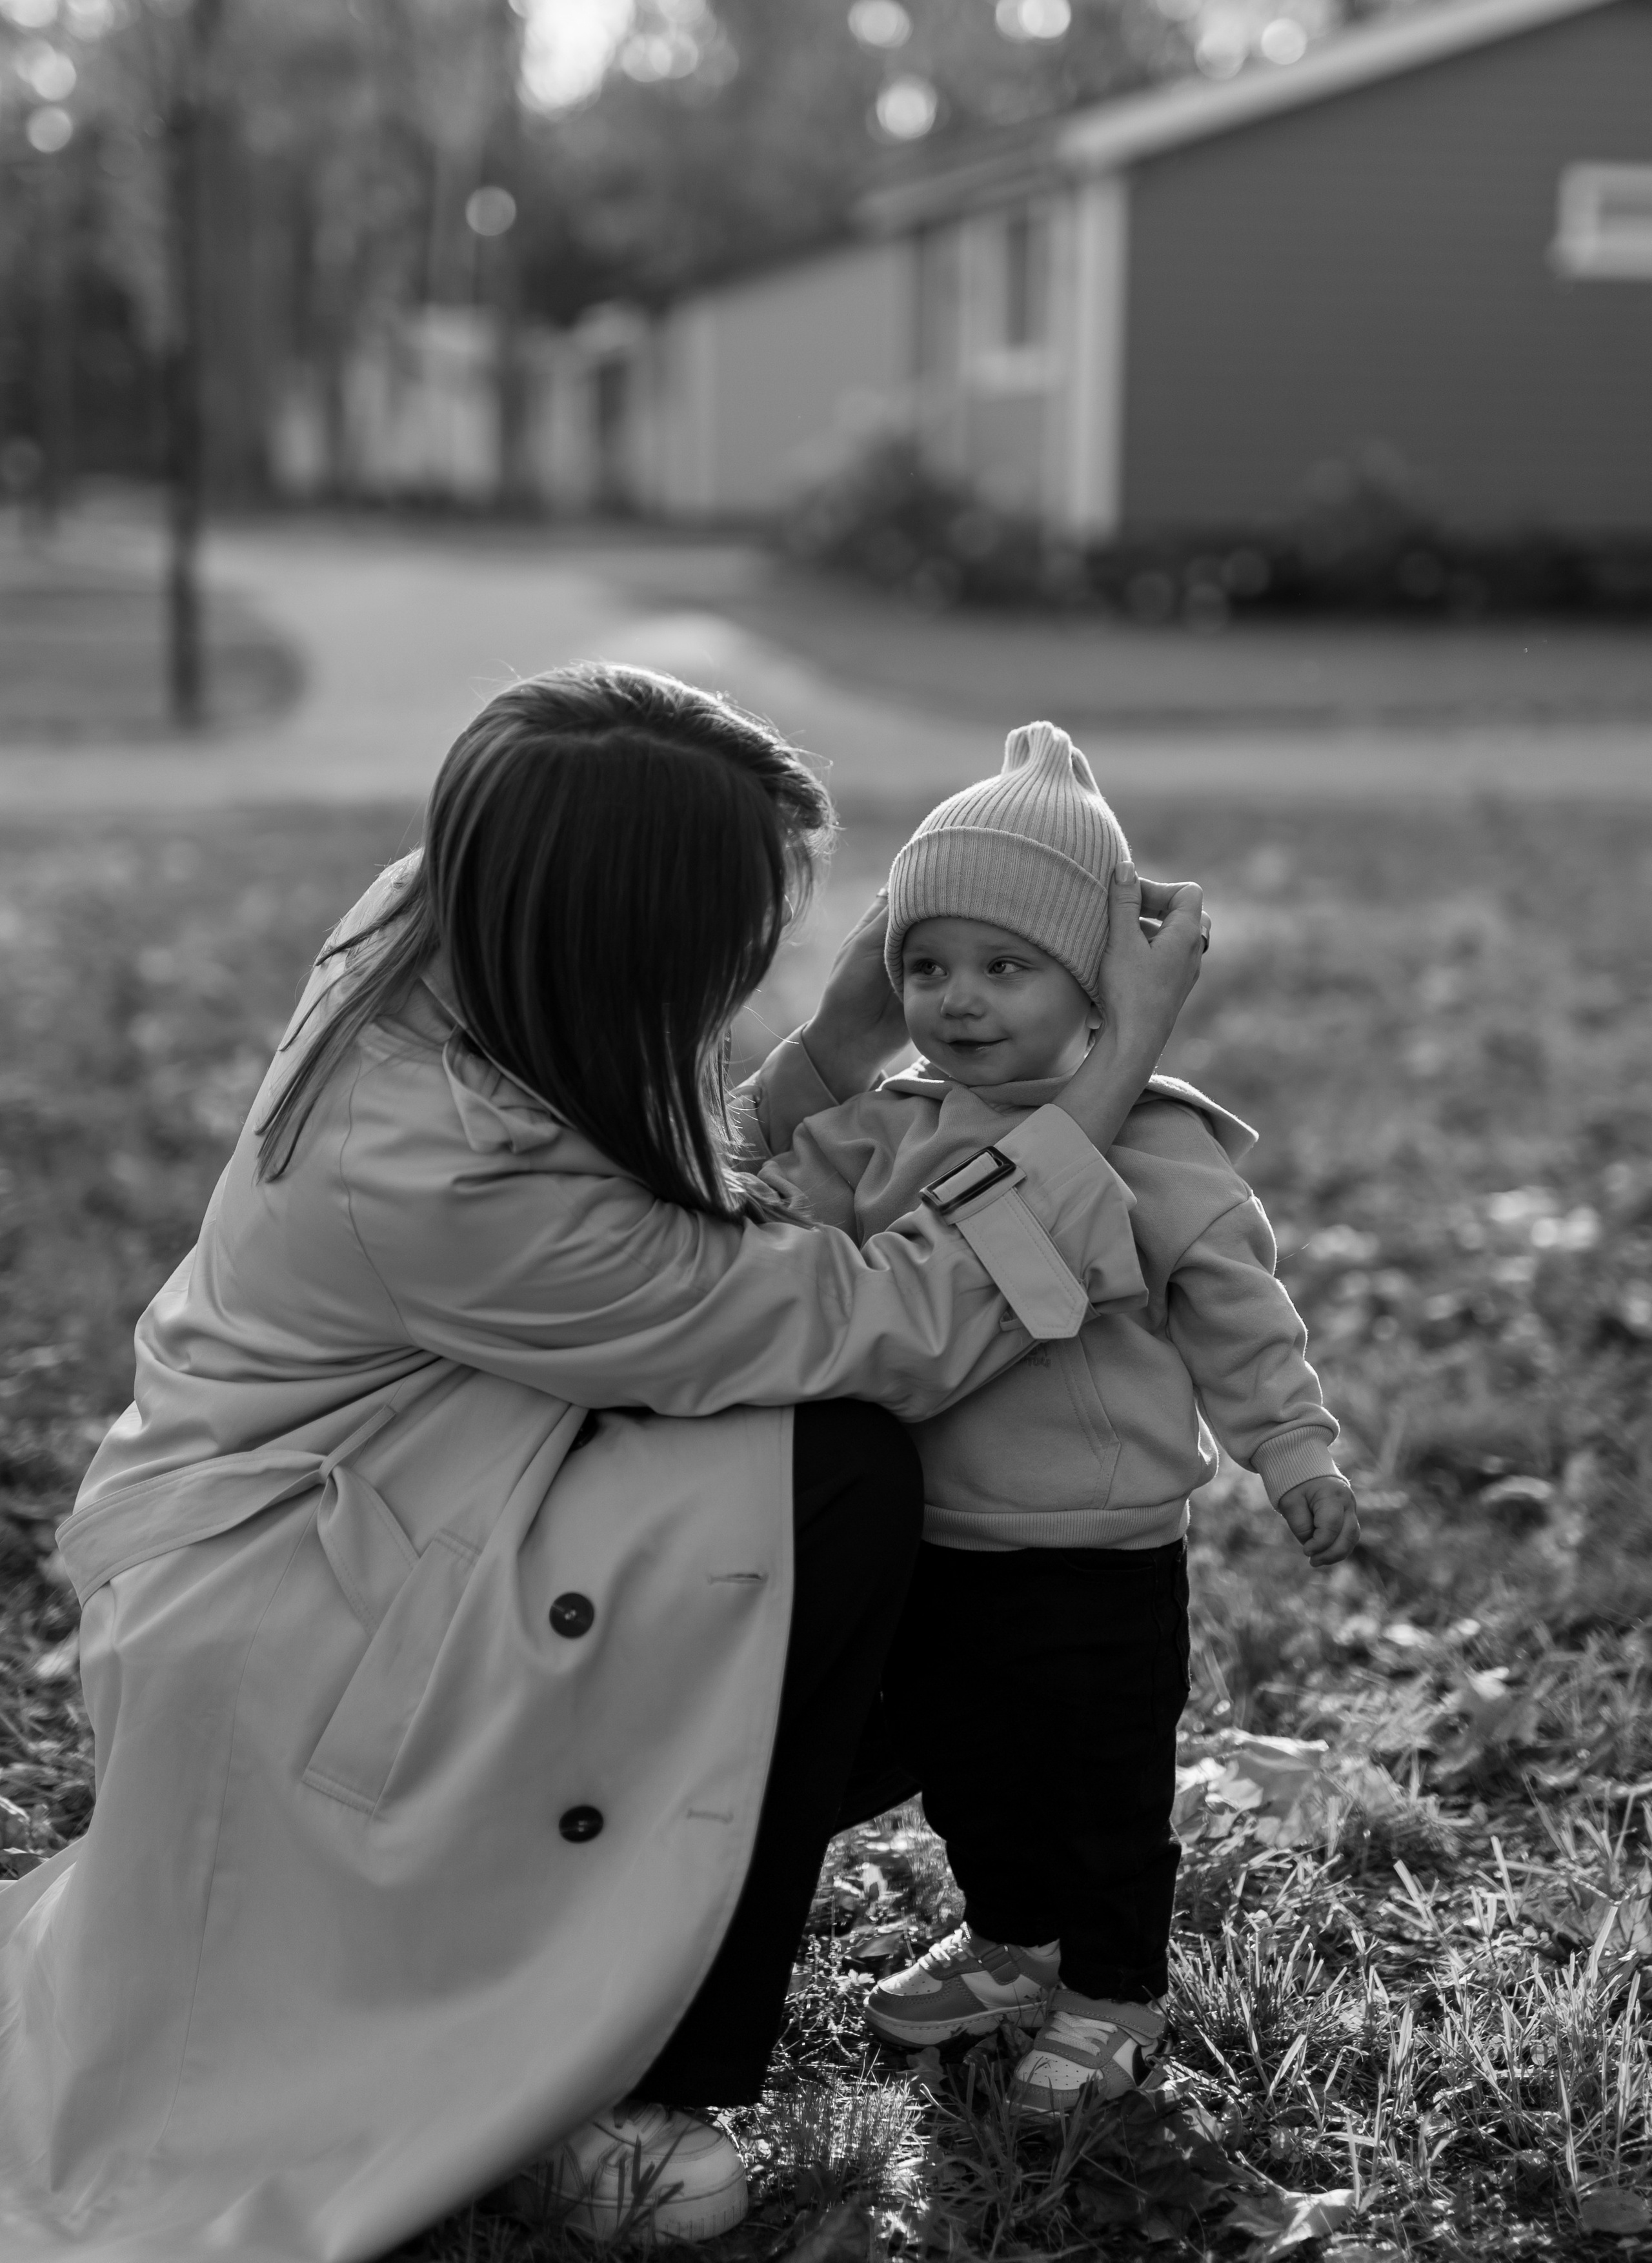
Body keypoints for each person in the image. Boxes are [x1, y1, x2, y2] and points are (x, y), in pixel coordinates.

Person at [0, 667, 1209, 2263]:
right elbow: (878, 1320)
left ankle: (674, 1921)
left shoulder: (456, 930)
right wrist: (1111, 1069)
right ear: (625, 937)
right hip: (301, 1607)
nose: (746, 973)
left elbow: (657, 1211)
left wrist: (840, 1044)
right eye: (735, 941)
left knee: (836, 1513)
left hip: (417, 1483)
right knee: (840, 1481)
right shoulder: (439, 1169)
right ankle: (622, 2073)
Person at [753, 721, 1359, 2113]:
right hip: (936, 1539)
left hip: (1102, 1547)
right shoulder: (882, 1128)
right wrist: (827, 1054)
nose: (959, 1001)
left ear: (1094, 984)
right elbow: (757, 1196)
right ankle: (1013, 1942)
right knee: (970, 1771)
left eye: (1005, 966)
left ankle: (1113, 1989)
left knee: (1098, 1786)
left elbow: (1235, 1308)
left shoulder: (1157, 1143)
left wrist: (1291, 1446)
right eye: (925, 967)